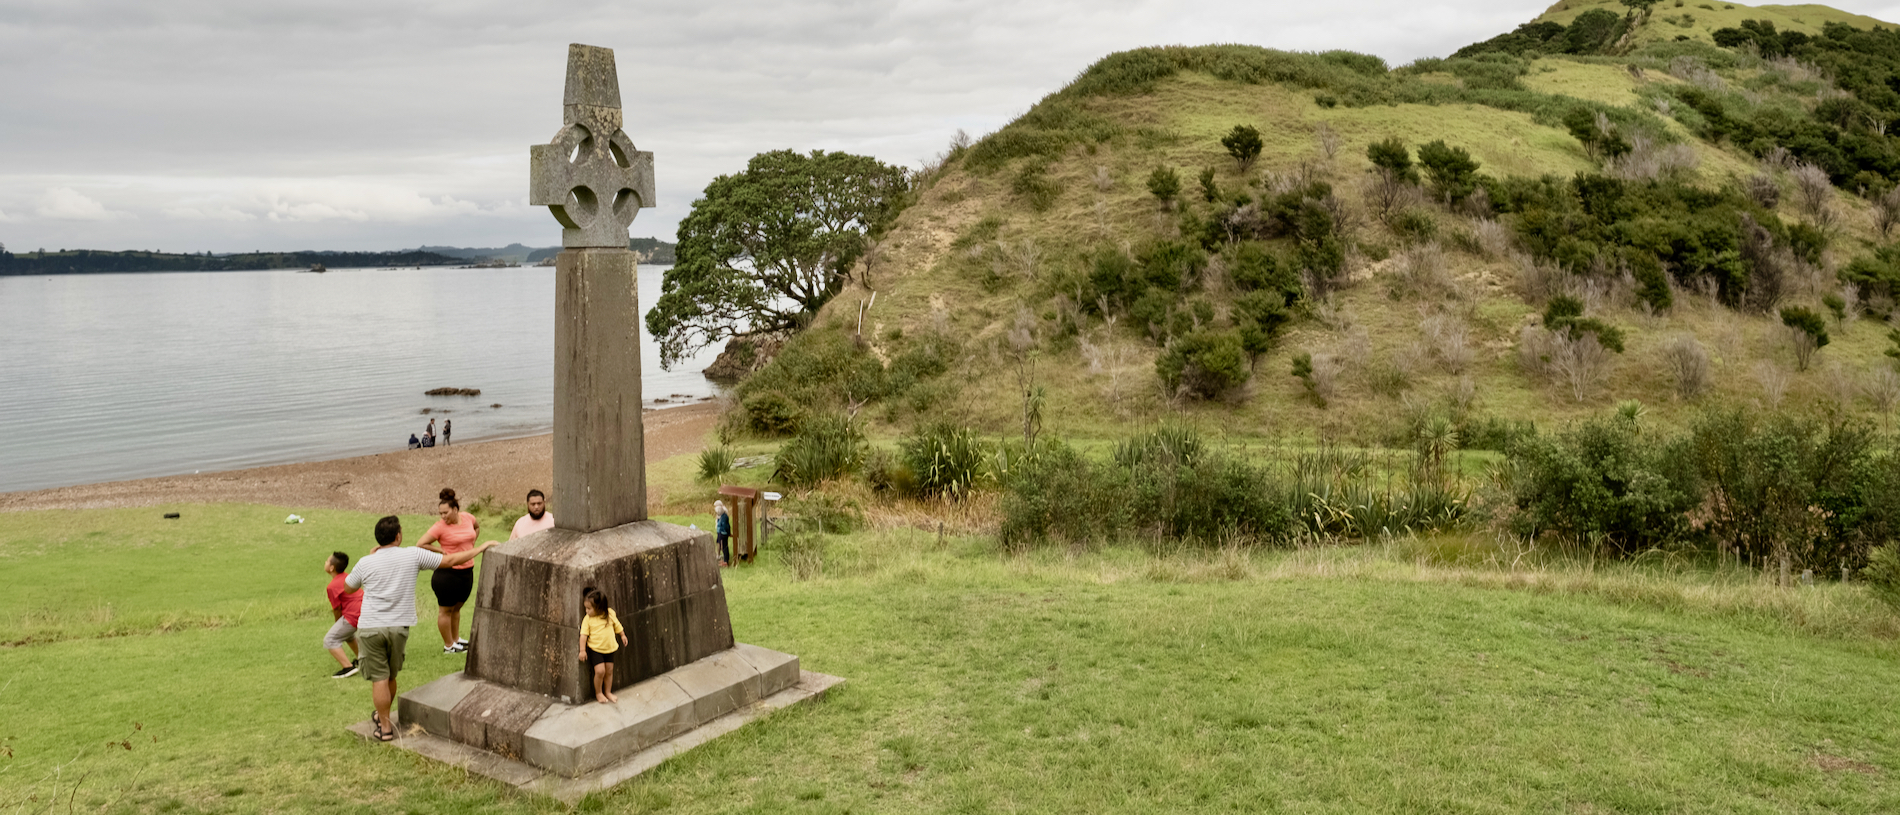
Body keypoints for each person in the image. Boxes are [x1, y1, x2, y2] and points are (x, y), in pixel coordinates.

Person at [347, 515, 497, 741]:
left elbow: (349, 588)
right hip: (398, 626)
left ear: (378, 539)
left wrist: (370, 560)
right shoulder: (412, 554)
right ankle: (384, 717)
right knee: (390, 675)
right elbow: (450, 560)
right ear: (398, 536)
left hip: (371, 627)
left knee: (379, 677)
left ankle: (385, 727)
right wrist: (482, 547)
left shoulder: (365, 562)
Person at [416, 487, 480, 653]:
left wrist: (470, 546)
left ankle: (456, 639)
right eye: (441, 513)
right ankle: (448, 645)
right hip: (447, 574)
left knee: (457, 608)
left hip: (467, 571)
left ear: (455, 509)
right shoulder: (440, 527)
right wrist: (440, 550)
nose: (443, 516)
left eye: (445, 512)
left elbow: (477, 527)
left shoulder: (468, 518)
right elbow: (421, 544)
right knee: (446, 609)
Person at [578, 589, 628, 704]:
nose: (586, 611)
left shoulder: (609, 613)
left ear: (599, 608)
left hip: (610, 648)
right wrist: (582, 650)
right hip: (596, 649)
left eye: (589, 608)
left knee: (609, 671)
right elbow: (583, 636)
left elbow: (617, 625)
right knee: (600, 671)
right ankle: (598, 693)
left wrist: (622, 635)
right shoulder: (588, 619)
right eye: (586, 608)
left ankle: (608, 692)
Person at [323, 551, 361, 678]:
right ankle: (363, 660)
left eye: (327, 561)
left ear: (332, 568)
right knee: (348, 635)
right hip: (364, 612)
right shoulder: (348, 576)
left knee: (330, 640)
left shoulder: (332, 586)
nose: (325, 562)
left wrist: (338, 623)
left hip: (354, 615)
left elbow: (337, 610)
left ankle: (348, 667)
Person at [713, 500, 732, 567]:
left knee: (724, 547)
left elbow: (725, 526)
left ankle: (726, 561)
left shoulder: (724, 516)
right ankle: (725, 560)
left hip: (723, 533)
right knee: (723, 546)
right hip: (722, 533)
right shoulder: (721, 515)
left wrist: (726, 532)